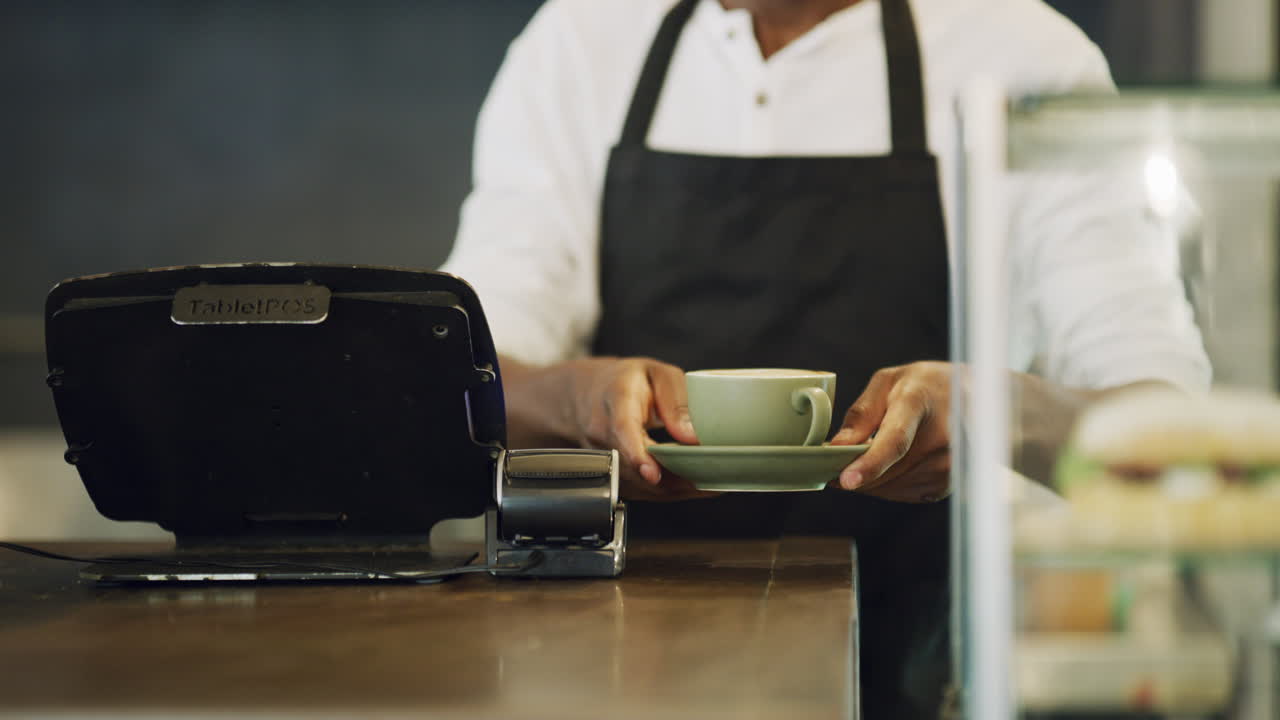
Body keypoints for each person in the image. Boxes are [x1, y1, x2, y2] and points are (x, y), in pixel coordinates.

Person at [442, 0, 1210, 715]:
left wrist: (988, 410)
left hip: (925, 668)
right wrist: (575, 401)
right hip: (613, 680)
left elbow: (1167, 422)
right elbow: (457, 366)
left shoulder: (1022, 53)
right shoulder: (581, 42)